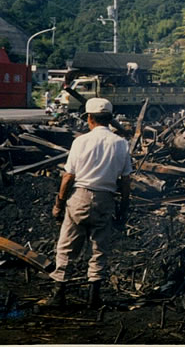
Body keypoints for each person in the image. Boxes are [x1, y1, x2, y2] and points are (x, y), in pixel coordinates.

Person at [47, 98, 132, 308]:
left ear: (89, 118)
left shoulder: (81, 141)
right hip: (106, 199)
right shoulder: (121, 143)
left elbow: (68, 177)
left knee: (66, 247)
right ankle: (94, 297)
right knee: (99, 248)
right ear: (110, 119)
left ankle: (58, 295)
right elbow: (126, 181)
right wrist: (123, 209)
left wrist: (59, 203)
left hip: (80, 197)